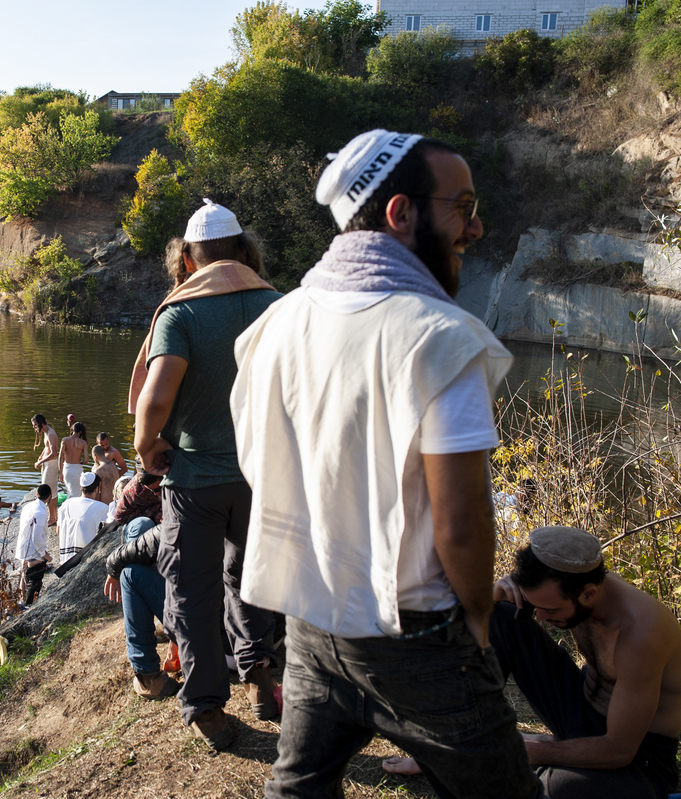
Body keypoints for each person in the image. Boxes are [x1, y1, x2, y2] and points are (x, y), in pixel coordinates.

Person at [230, 130, 541, 797]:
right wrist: (481, 617)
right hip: (420, 636)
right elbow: (460, 521)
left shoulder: (276, 325)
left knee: (299, 787)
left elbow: (260, 466)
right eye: (462, 206)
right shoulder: (440, 337)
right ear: (401, 213)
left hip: (314, 620)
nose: (476, 226)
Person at [130, 198, 282, 750]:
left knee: (192, 593)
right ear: (244, 251)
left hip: (195, 480)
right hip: (263, 477)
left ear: (188, 260)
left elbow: (156, 395)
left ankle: (209, 711)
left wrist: (148, 450)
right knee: (252, 577)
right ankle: (264, 679)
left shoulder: (181, 313)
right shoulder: (280, 305)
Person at [383, 527, 681, 799]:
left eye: (548, 609)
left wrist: (533, 751)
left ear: (589, 593)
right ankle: (451, 746)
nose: (540, 617)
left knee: (549, 789)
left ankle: (525, 761)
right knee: (500, 616)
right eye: (535, 605)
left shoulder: (641, 633)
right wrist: (494, 596)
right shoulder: (566, 584)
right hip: (582, 712)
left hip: (637, 758)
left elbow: (619, 750)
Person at [103, 517, 179, 700]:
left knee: (130, 572)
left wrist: (115, 564)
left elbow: (162, 535)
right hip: (249, 646)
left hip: (213, 644)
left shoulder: (195, 504)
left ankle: (148, 677)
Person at [15, 484, 53, 607]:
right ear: (49, 497)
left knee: (23, 576)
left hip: (22, 546)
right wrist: (44, 555)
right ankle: (28, 605)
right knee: (34, 580)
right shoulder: (41, 513)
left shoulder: (27, 506)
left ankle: (21, 601)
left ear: (36, 494)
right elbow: (37, 538)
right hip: (33, 551)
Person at [58, 472, 109, 561]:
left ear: (81, 488)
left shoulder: (66, 504)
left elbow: (58, 530)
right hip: (86, 560)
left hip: (64, 560)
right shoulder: (102, 507)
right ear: (96, 489)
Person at [112, 460, 164, 526]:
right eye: (151, 490)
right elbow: (119, 517)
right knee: (143, 523)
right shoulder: (133, 491)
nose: (155, 493)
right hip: (141, 523)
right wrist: (153, 514)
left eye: (159, 489)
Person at [31, 414, 60, 525]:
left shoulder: (51, 434)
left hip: (51, 464)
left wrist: (40, 462)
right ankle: (53, 515)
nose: (34, 427)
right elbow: (46, 447)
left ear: (40, 423)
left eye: (34, 425)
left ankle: (52, 518)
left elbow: (53, 454)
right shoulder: (46, 432)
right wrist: (41, 456)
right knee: (51, 490)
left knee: (50, 491)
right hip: (47, 463)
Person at [59, 421, 90, 499]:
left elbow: (60, 457)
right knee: (78, 493)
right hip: (77, 469)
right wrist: (80, 462)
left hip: (67, 469)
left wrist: (60, 473)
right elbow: (86, 460)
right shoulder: (83, 443)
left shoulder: (65, 440)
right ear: (81, 432)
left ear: (72, 429)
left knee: (69, 491)